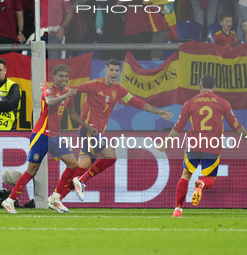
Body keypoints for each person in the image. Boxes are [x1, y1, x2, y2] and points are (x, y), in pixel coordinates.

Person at [62, 59, 173, 201]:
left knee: (80, 170)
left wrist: (158, 112)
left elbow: (136, 102)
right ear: (106, 70)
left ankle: (57, 197)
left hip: (96, 133)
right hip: (90, 130)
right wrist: (52, 89)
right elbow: (74, 89)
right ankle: (82, 181)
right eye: (112, 70)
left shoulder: (119, 89)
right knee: (111, 157)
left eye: (116, 70)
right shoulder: (94, 85)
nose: (114, 73)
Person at [158, 74, 247, 217]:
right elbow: (236, 126)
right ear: (214, 87)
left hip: (194, 144)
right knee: (210, 179)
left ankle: (177, 210)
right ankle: (201, 183)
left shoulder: (190, 103)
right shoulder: (223, 103)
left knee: (185, 175)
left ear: (200, 86)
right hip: (212, 145)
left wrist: (165, 143)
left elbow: (179, 127)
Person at [2, 64, 84, 214]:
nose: (64, 79)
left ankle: (55, 198)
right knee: (32, 171)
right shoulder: (49, 90)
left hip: (55, 135)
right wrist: (67, 95)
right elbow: (50, 102)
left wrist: (87, 126)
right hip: (41, 134)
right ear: (55, 77)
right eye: (61, 76)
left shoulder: (66, 93)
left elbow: (72, 114)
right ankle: (9, 201)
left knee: (73, 164)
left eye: (66, 76)